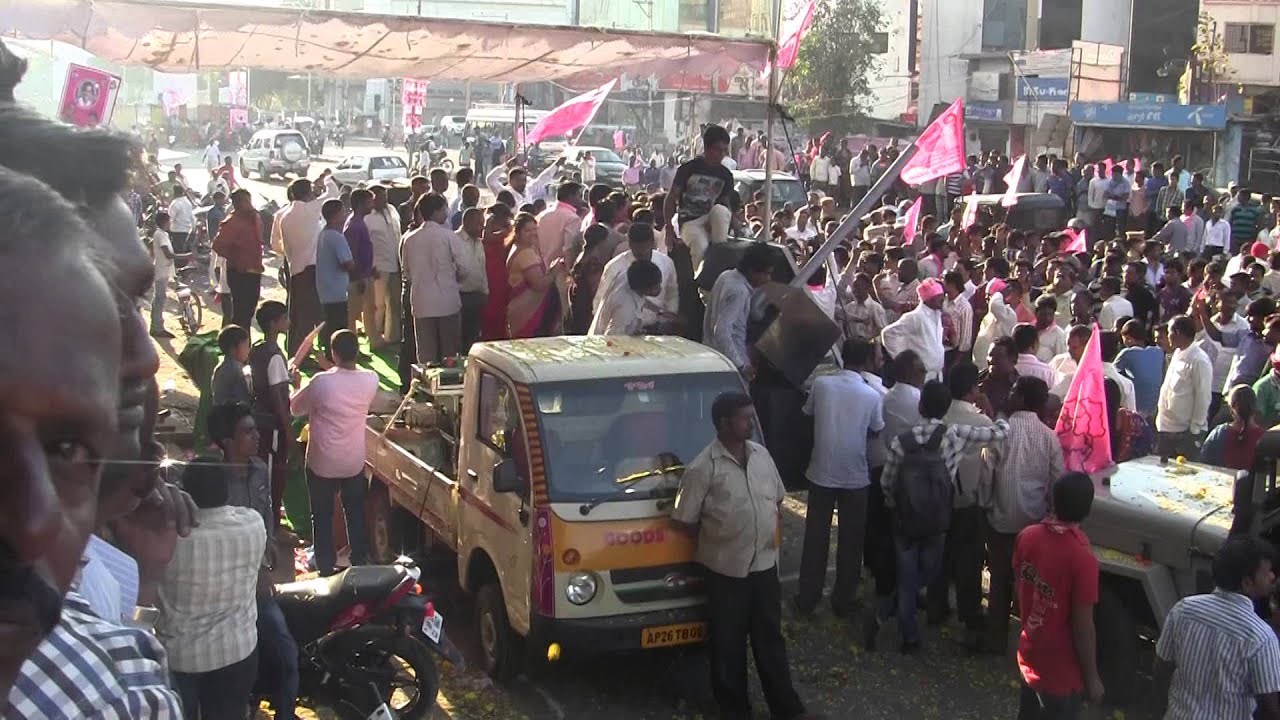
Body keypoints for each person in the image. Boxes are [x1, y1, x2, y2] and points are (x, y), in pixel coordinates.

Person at [670, 393, 816, 720]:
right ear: (723, 424)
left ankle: (787, 709)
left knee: (770, 641)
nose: (750, 422)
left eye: (751, 416)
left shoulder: (761, 455)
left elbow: (777, 499)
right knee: (727, 645)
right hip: (724, 571)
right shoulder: (703, 468)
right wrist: (721, 541)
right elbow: (684, 521)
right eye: (744, 418)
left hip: (764, 567)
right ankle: (734, 710)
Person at [869, 380, 1009, 653]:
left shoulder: (901, 441)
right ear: (946, 408)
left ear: (920, 406)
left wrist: (893, 502)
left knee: (908, 576)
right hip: (938, 519)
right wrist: (997, 414)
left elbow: (887, 482)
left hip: (905, 519)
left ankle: (905, 633)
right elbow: (999, 434)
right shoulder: (955, 434)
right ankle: (892, 608)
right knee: (931, 571)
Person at [206, 402, 298, 719]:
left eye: (255, 429)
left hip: (258, 582)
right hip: (225, 590)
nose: (257, 436)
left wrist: (268, 547)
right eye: (248, 431)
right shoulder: (212, 479)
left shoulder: (259, 468)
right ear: (227, 441)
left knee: (286, 653)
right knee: (236, 665)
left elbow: (267, 513)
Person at [158, 461, 265, 719]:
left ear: (185, 493)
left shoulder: (169, 537)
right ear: (226, 489)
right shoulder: (252, 524)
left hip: (180, 659)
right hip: (236, 652)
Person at [794, 339, 885, 618]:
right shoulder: (871, 395)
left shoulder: (822, 385)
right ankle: (843, 598)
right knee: (851, 541)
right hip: (855, 474)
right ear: (868, 362)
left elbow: (807, 413)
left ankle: (808, 596)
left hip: (821, 470)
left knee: (816, 537)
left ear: (842, 358)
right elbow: (876, 429)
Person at [1154, 535, 1280, 720]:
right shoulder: (1260, 637)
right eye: (1267, 572)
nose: (1272, 576)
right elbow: (1269, 710)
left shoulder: (1184, 609)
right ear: (1247, 582)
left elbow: (1160, 671)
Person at [982, 376, 1065, 655]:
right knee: (1029, 586)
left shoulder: (1001, 431)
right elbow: (1057, 481)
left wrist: (986, 503)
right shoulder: (1049, 436)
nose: (1010, 393)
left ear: (1021, 398)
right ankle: (1029, 645)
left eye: (1014, 390)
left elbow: (986, 474)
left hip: (1002, 519)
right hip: (1035, 524)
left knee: (999, 581)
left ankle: (995, 638)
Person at [1014, 472, 1104, 718]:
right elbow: (1083, 628)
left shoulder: (1027, 537)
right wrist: (1092, 678)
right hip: (1061, 673)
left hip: (1029, 655)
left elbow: (1019, 585)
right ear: (1087, 510)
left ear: (1053, 501)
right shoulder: (1083, 559)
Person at [291, 330, 377, 576]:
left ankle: (325, 565)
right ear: (358, 352)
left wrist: (297, 385)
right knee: (355, 512)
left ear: (333, 353)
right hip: (352, 461)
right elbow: (346, 378)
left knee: (322, 514)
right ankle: (360, 560)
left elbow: (295, 409)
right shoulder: (371, 379)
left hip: (322, 462)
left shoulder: (320, 382)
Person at [402, 192, 478, 362]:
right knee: (450, 355)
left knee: (425, 355)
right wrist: (454, 281)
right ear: (436, 212)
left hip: (421, 303)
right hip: (447, 302)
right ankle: (449, 387)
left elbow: (407, 272)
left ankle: (424, 387)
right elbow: (464, 268)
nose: (446, 213)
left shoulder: (409, 239)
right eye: (444, 209)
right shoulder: (449, 236)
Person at [664, 124, 735, 272]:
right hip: (690, 222)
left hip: (711, 217)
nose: (721, 154)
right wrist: (669, 230)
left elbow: (725, 205)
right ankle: (703, 284)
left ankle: (719, 255)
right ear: (708, 148)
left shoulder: (726, 175)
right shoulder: (689, 169)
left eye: (724, 150)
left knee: (720, 211)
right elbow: (671, 198)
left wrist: (736, 224)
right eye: (718, 149)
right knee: (700, 247)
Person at [703, 242, 775, 379]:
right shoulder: (738, 291)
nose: (768, 279)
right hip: (729, 365)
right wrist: (740, 365)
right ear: (752, 271)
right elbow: (721, 330)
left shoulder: (726, 276)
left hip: (714, 357)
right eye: (766, 274)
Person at [271, 178, 324, 354]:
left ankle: (295, 351)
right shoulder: (310, 209)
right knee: (308, 316)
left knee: (297, 313)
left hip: (295, 268)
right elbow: (333, 192)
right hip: (311, 269)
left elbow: (281, 246)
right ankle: (303, 354)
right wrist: (323, 181)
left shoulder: (284, 216)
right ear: (308, 193)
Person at [595, 222, 678, 323]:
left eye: (645, 248)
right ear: (629, 244)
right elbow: (600, 301)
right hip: (621, 330)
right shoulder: (615, 267)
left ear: (652, 242)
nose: (642, 252)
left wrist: (669, 317)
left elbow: (672, 294)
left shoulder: (666, 263)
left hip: (657, 328)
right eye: (637, 249)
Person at [1156, 315, 1214, 459]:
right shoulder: (1177, 353)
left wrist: (1194, 430)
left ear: (1178, 333)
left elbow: (1203, 397)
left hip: (1185, 433)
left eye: (1169, 332)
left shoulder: (1199, 360)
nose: (1167, 336)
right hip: (1167, 428)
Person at [505, 210, 566, 339]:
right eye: (527, 231)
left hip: (525, 311)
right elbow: (538, 284)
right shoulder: (526, 253)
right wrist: (554, 271)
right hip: (528, 313)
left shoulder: (521, 248)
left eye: (534, 229)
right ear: (518, 233)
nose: (533, 233)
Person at [212, 188, 264, 330]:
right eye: (246, 201)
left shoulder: (254, 218)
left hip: (254, 271)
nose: (250, 204)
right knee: (241, 314)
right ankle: (239, 347)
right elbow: (217, 245)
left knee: (248, 313)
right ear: (238, 204)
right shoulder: (232, 222)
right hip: (240, 272)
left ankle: (245, 346)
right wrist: (236, 257)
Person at [881, 277, 947, 380]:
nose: (943, 299)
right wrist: (904, 362)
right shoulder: (915, 317)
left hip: (936, 375)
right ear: (929, 298)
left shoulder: (937, 315)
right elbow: (888, 333)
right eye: (939, 296)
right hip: (920, 377)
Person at [315, 198, 354, 362]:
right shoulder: (336, 237)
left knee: (329, 325)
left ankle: (329, 357)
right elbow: (347, 263)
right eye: (343, 211)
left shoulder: (324, 234)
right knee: (337, 328)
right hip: (337, 291)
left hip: (326, 289)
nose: (345, 214)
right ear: (336, 215)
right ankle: (336, 360)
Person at [366, 184, 403, 349]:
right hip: (377, 266)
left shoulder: (392, 210)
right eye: (379, 197)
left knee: (394, 302)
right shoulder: (367, 217)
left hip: (395, 263)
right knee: (377, 304)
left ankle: (391, 336)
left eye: (385, 196)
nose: (383, 199)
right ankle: (373, 337)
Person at [589, 259, 665, 335]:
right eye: (656, 287)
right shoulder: (625, 308)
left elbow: (641, 299)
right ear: (644, 289)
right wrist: (631, 335)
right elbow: (612, 338)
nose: (660, 288)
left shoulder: (628, 276)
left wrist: (659, 310)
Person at [1201, 384, 1265, 470]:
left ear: (1232, 408)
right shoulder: (1265, 439)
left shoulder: (1219, 434)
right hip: (1253, 483)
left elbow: (1204, 463)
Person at [148, 210, 187, 339]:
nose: (170, 223)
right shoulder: (161, 235)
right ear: (165, 222)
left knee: (158, 298)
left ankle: (156, 326)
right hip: (162, 270)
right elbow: (168, 254)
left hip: (163, 269)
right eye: (169, 221)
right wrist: (186, 256)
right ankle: (157, 328)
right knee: (159, 299)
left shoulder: (161, 234)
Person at [1115, 320, 1166, 418]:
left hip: (1136, 406)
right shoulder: (1158, 351)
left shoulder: (1126, 353)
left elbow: (1112, 373)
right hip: (1156, 406)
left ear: (1128, 338)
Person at [456, 207, 490, 351]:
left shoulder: (479, 242)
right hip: (461, 298)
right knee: (461, 338)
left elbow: (482, 269)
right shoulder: (455, 241)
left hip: (477, 296)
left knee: (474, 338)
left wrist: (485, 291)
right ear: (467, 222)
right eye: (478, 224)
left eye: (483, 223)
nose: (482, 228)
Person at [343, 188, 376, 336]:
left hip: (364, 274)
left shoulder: (359, 222)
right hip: (358, 278)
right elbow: (352, 254)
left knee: (365, 310)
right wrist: (358, 278)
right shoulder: (354, 225)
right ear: (361, 204)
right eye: (369, 202)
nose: (372, 205)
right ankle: (351, 345)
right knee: (353, 315)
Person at [211, 323, 253, 407]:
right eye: (246, 346)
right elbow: (243, 400)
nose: (249, 350)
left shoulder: (221, 366)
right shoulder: (235, 370)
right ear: (233, 349)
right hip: (232, 415)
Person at [167, 189, 195, 254]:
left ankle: (178, 263)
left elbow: (170, 218)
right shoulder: (188, 203)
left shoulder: (175, 203)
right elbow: (192, 217)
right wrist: (193, 228)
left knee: (177, 252)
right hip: (186, 230)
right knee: (183, 251)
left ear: (175, 193)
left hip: (176, 231)